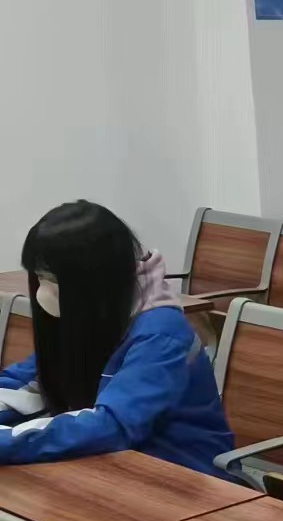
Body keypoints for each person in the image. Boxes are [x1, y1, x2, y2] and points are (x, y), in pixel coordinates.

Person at [0, 201, 234, 475]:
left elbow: (113, 425)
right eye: (39, 277)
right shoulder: (91, 315)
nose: (42, 290)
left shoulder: (160, 334)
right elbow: (28, 382)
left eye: (50, 279)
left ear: (91, 279)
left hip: (184, 475)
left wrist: (8, 442)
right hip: (112, 466)